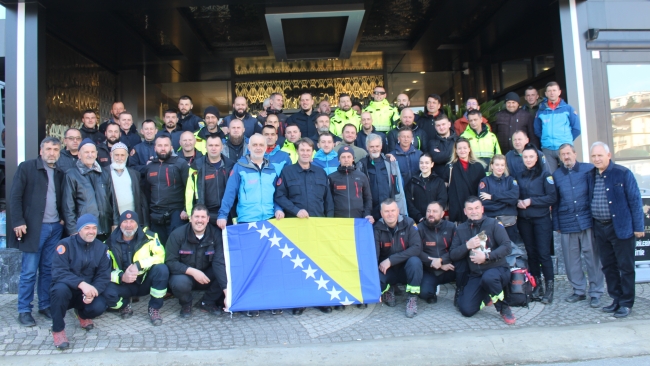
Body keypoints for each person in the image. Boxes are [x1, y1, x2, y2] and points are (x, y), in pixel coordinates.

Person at [274, 138, 334, 314]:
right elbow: (280, 196)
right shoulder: (287, 172)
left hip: (318, 226)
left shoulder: (320, 173)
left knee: (319, 264)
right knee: (298, 265)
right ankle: (299, 301)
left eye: (309, 150)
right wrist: (296, 210)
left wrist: (328, 223)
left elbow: (328, 200)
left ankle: (320, 299)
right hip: (296, 225)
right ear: (297, 151)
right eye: (302, 150)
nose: (305, 153)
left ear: (313, 152)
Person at [11, 137, 65, 327]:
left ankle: (45, 305)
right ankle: (24, 310)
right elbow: (15, 196)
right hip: (34, 228)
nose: (52, 153)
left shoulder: (59, 172)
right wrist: (18, 221)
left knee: (48, 270)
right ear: (41, 150)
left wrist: (62, 218)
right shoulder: (27, 167)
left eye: (56, 149)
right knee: (29, 271)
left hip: (54, 228)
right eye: (48, 149)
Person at [589, 142, 644, 318]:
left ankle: (626, 303)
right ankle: (616, 299)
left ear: (609, 155)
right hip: (600, 227)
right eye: (594, 156)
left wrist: (638, 227)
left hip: (621, 227)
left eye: (600, 155)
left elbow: (635, 201)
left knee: (625, 267)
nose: (597, 159)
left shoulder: (623, 173)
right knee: (609, 267)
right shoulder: (591, 175)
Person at [552, 143, 604, 307]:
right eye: (562, 154)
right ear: (560, 158)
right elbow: (556, 201)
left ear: (575, 153)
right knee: (571, 260)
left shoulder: (588, 170)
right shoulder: (557, 175)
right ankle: (578, 290)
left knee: (592, 258)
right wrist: (557, 223)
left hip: (587, 220)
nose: (566, 157)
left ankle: (596, 292)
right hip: (567, 222)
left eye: (568, 153)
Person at [49, 214, 111, 349]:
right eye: (87, 228)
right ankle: (58, 330)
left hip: (86, 293)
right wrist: (81, 284)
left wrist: (93, 291)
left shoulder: (102, 248)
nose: (91, 231)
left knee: (99, 306)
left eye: (94, 228)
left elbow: (104, 276)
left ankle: (82, 315)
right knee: (59, 291)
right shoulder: (64, 245)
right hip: (67, 290)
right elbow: (59, 271)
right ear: (79, 230)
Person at [449, 197, 515, 324]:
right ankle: (486, 296)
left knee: (489, 278)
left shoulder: (494, 224)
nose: (474, 211)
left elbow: (507, 247)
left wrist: (486, 257)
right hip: (476, 275)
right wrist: (467, 246)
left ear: (482, 209)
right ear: (465, 211)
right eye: (470, 209)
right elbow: (453, 254)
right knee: (466, 310)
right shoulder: (461, 229)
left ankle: (503, 307)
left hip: (497, 270)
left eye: (477, 208)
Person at [104, 211, 168, 325]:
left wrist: (139, 265)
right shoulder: (108, 243)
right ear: (119, 224)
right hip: (123, 284)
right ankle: (124, 304)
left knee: (162, 269)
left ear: (137, 224)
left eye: (132, 221)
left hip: (144, 281)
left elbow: (161, 256)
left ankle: (154, 308)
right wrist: (121, 277)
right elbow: (104, 270)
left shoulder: (150, 237)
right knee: (105, 290)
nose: (128, 225)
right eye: (125, 222)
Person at [166, 205, 228, 317]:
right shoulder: (177, 235)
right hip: (185, 275)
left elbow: (219, 263)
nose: (199, 220)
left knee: (227, 271)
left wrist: (227, 293)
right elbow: (170, 262)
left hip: (206, 276)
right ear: (190, 218)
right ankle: (186, 304)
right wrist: (193, 272)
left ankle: (207, 302)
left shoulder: (216, 235)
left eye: (203, 217)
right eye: (196, 217)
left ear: (208, 219)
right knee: (179, 283)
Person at [516, 143, 557, 304]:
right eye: (525, 157)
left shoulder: (545, 175)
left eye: (531, 156)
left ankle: (549, 288)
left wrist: (531, 201)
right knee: (531, 254)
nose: (528, 159)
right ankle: (537, 285)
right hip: (525, 221)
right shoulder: (519, 176)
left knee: (543, 254)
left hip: (541, 220)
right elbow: (515, 194)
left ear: (537, 157)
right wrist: (518, 201)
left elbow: (552, 197)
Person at [217, 134, 284, 229]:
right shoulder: (239, 167)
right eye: (255, 145)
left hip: (270, 219)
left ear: (265, 147)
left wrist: (278, 209)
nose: (258, 148)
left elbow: (277, 194)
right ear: (249, 147)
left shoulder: (271, 168)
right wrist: (223, 215)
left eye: (261, 145)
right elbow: (230, 192)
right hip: (247, 220)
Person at [374, 199, 423, 318]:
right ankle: (388, 289)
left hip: (405, 268)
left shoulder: (409, 223)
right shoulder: (377, 228)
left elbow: (416, 248)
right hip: (386, 269)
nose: (390, 214)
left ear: (398, 211)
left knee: (415, 262)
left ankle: (412, 298)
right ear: (381, 213)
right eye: (386, 211)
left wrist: (391, 260)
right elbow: (374, 254)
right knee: (375, 282)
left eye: (392, 210)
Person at [63, 138, 114, 239]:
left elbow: (112, 200)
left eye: (92, 152)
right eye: (86, 152)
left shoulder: (104, 173)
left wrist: (114, 222)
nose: (90, 155)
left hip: (104, 228)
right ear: (79, 155)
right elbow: (68, 205)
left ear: (96, 154)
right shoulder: (71, 174)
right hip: (83, 229)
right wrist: (73, 230)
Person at [145, 134, 190, 245]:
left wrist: (186, 209)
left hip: (177, 214)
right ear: (155, 148)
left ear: (171, 147)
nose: (163, 148)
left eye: (166, 145)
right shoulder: (150, 166)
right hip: (156, 215)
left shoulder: (181, 164)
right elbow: (146, 191)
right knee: (159, 248)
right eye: (160, 145)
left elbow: (190, 188)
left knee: (175, 247)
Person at [418, 201, 465, 305]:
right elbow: (417, 251)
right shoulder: (419, 228)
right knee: (424, 293)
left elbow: (456, 249)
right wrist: (435, 264)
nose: (431, 214)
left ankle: (460, 291)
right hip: (429, 269)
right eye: (428, 211)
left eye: (435, 211)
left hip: (449, 267)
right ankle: (432, 292)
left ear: (442, 214)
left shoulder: (451, 227)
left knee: (464, 261)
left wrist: (442, 261)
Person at [185, 135, 234, 226]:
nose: (213, 148)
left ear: (222, 147)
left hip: (228, 214)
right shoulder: (196, 166)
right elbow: (189, 193)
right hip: (205, 214)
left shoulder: (230, 166)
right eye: (210, 145)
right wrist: (190, 215)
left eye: (216, 145)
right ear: (206, 147)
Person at [534, 82, 581, 173]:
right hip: (548, 149)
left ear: (559, 92)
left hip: (565, 148)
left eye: (554, 90)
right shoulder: (541, 111)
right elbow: (537, 130)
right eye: (549, 91)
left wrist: (567, 140)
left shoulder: (568, 109)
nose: (552, 93)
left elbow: (576, 129)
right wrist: (546, 139)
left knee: (568, 173)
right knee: (550, 176)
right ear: (546, 94)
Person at [359, 134, 408, 221]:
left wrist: (402, 214)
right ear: (367, 147)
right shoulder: (362, 164)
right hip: (370, 211)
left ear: (381, 146)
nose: (375, 149)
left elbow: (398, 188)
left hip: (389, 210)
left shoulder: (390, 162)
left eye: (377, 146)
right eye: (372, 146)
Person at [478, 155, 521, 246]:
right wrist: (506, 202)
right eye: (497, 165)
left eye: (502, 165)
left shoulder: (511, 180)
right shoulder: (484, 181)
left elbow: (514, 197)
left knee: (511, 250)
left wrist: (493, 197)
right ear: (492, 166)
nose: (500, 167)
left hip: (509, 222)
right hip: (491, 221)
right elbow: (484, 203)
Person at [444, 138, 486, 223]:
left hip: (474, 207)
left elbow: (482, 189)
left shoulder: (479, 167)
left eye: (465, 148)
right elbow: (445, 190)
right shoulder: (450, 167)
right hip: (456, 208)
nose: (462, 150)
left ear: (469, 149)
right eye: (459, 148)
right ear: (455, 150)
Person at [108, 142, 149, 226]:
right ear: (111, 155)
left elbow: (141, 200)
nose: (119, 158)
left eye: (122, 155)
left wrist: (145, 223)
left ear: (127, 156)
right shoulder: (104, 173)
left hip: (131, 219)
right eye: (116, 155)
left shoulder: (134, 174)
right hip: (112, 221)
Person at [328, 146, 373, 221]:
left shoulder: (361, 176)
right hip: (338, 219)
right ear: (339, 159)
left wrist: (367, 214)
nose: (346, 159)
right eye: (343, 157)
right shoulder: (332, 177)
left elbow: (368, 198)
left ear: (353, 159)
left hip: (358, 219)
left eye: (349, 157)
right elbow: (328, 200)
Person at [405, 154, 447, 223]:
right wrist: (419, 217)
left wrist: (433, 215)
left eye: (427, 163)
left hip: (435, 221)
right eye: (421, 163)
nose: (424, 165)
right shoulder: (412, 181)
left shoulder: (439, 182)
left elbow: (442, 200)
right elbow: (409, 202)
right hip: (417, 222)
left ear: (432, 164)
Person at [128, 119, 158, 185]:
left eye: (151, 129)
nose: (149, 131)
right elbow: (132, 168)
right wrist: (147, 167)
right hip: (142, 185)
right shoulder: (136, 148)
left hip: (160, 184)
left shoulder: (162, 147)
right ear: (142, 131)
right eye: (146, 129)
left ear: (156, 131)